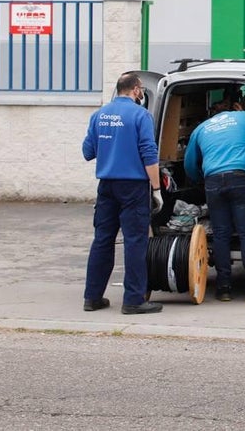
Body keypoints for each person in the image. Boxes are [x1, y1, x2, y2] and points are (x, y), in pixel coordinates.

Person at [82, 72, 163, 315]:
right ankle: (133, 301)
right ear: (137, 90)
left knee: (102, 240)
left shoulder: (99, 115)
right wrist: (157, 189)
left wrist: (111, 144)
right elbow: (149, 154)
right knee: (135, 242)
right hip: (133, 187)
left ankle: (92, 297)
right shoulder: (141, 115)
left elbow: (88, 151)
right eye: (140, 90)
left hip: (106, 186)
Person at [184, 94, 245, 302]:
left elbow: (189, 164)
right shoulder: (243, 117)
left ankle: (223, 288)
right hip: (240, 179)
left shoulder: (201, 128)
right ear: (232, 108)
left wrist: (201, 181)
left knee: (221, 234)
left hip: (213, 182)